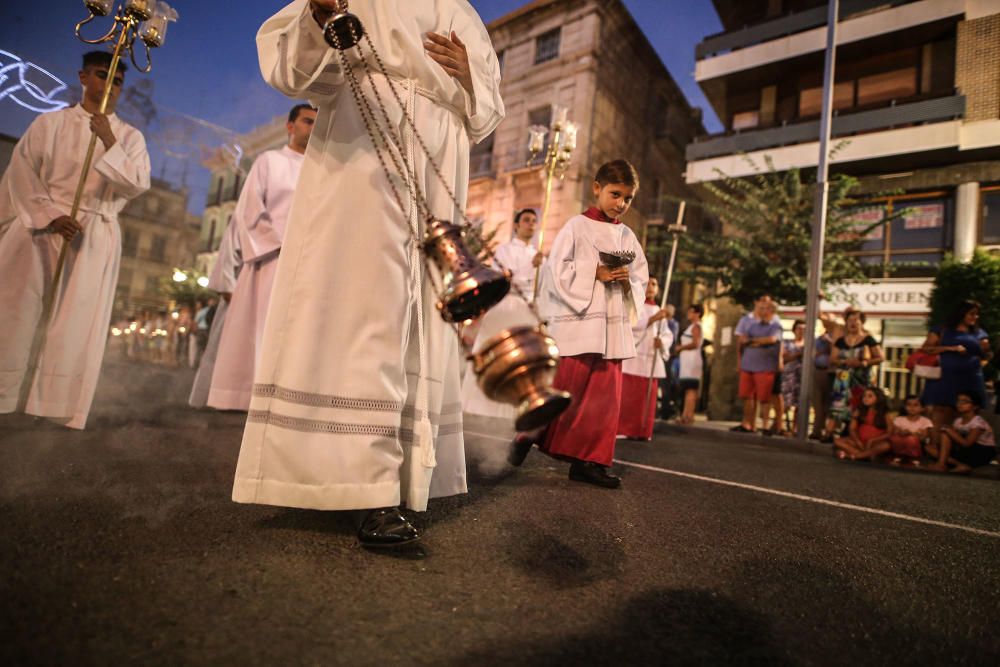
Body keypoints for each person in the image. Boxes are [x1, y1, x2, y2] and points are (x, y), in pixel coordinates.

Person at [233, 0, 505, 548]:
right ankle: (362, 481)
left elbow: (488, 112)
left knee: (419, 320)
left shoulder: (465, 14)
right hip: (364, 149)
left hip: (436, 158)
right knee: (363, 310)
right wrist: (319, 16)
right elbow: (290, 68)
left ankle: (404, 473)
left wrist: (470, 76)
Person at [0, 50, 150, 428]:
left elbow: (135, 183)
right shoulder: (49, 124)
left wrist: (108, 139)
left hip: (93, 234)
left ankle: (51, 403)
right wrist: (51, 216)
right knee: (15, 313)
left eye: (117, 81)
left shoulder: (130, 137)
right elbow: (22, 174)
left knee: (74, 321)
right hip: (40, 228)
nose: (110, 86)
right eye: (103, 75)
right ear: (83, 77)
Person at [509, 159, 649, 489]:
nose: (621, 204)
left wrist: (628, 281)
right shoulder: (576, 226)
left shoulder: (627, 236)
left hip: (612, 329)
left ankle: (591, 461)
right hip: (580, 323)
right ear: (597, 188)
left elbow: (642, 277)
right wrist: (594, 273)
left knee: (605, 400)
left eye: (628, 199)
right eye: (616, 194)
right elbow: (557, 273)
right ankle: (527, 433)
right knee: (564, 389)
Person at [207, 104, 316, 411]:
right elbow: (250, 210)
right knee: (260, 330)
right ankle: (247, 394)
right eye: (307, 121)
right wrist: (280, 246)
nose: (312, 128)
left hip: (308, 264)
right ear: (290, 126)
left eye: (317, 124)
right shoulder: (269, 161)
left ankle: (287, 396)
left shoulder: (322, 168)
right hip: (270, 259)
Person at [461, 208, 542, 420]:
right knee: (493, 352)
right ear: (516, 225)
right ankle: (478, 404)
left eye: (534, 221)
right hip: (505, 304)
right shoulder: (504, 250)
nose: (531, 224)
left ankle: (511, 405)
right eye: (526, 220)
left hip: (526, 310)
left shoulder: (538, 255)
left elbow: (540, 287)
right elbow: (505, 278)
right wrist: (529, 267)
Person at [919, 300, 992, 451]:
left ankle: (955, 452)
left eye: (977, 314)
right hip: (944, 377)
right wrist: (950, 348)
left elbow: (987, 354)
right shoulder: (942, 329)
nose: (975, 317)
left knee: (966, 412)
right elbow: (926, 348)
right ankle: (935, 447)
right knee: (941, 410)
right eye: (972, 313)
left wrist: (984, 350)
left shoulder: (979, 333)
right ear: (961, 313)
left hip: (970, 377)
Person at [189, 218, 241, 409]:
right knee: (221, 344)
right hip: (240, 287)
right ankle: (212, 395)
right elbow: (232, 238)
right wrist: (227, 284)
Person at [617, 277, 672, 440]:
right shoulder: (635, 304)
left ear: (658, 289)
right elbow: (630, 325)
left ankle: (642, 431)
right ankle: (624, 428)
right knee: (629, 397)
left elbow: (667, 334)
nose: (650, 287)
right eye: (648, 283)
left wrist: (661, 342)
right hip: (634, 358)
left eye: (654, 284)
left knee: (646, 399)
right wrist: (652, 320)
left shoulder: (659, 310)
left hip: (650, 360)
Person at [731, 294, 783, 433]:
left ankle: (766, 426)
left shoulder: (776, 323)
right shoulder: (749, 322)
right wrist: (740, 359)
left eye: (767, 307)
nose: (765, 310)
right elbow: (742, 340)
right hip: (748, 364)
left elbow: (772, 340)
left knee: (765, 397)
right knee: (747, 395)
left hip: (765, 366)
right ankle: (748, 424)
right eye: (763, 306)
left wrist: (753, 341)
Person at [827, 308, 882, 437]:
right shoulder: (841, 340)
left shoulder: (868, 339)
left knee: (858, 405)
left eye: (855, 320)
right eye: (849, 320)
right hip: (842, 378)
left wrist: (864, 363)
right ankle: (829, 432)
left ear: (862, 322)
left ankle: (853, 433)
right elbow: (832, 359)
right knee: (838, 404)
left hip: (861, 378)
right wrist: (845, 362)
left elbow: (880, 357)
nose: (852, 323)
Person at [927, 392, 996, 473]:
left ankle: (941, 464)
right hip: (964, 449)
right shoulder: (958, 421)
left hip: (981, 451)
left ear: (975, 406)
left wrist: (949, 431)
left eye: (965, 402)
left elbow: (967, 443)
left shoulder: (978, 423)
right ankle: (959, 464)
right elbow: (952, 439)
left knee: (946, 432)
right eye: (958, 401)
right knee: (930, 448)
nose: (960, 404)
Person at [833, 386, 890, 461]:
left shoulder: (884, 413)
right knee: (837, 441)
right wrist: (858, 441)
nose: (866, 398)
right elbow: (852, 429)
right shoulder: (859, 411)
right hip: (859, 441)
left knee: (886, 446)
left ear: (878, 398)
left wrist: (872, 440)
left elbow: (889, 432)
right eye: (864, 396)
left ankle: (856, 456)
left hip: (875, 442)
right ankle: (864, 455)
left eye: (870, 396)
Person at [809, 314, 838, 441]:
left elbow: (837, 353)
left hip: (831, 372)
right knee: (817, 404)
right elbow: (813, 353)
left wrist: (830, 343)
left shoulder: (837, 338)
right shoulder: (819, 338)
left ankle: (827, 431)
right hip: (818, 371)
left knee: (828, 404)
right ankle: (816, 430)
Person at [675, 303, 704, 425]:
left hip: (692, 361)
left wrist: (681, 347)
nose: (689, 314)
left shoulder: (696, 326)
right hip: (687, 362)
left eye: (691, 311)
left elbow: (695, 343)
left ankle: (688, 416)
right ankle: (686, 415)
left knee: (691, 390)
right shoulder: (692, 326)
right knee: (688, 389)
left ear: (698, 313)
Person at [779, 319, 806, 435]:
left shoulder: (809, 345)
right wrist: (798, 354)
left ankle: (795, 428)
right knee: (785, 402)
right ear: (794, 330)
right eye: (799, 329)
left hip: (803, 377)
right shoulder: (786, 343)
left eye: (804, 329)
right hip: (789, 376)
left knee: (799, 403)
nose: (801, 331)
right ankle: (779, 425)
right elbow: (784, 358)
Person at [888, 395, 932, 466]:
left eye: (916, 405)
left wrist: (912, 435)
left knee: (911, 439)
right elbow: (895, 432)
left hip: (917, 447)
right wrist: (901, 432)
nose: (912, 407)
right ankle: (899, 456)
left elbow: (924, 437)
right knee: (895, 438)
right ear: (905, 407)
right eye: (909, 405)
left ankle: (914, 458)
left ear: (922, 408)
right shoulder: (899, 419)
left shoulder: (925, 421)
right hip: (900, 445)